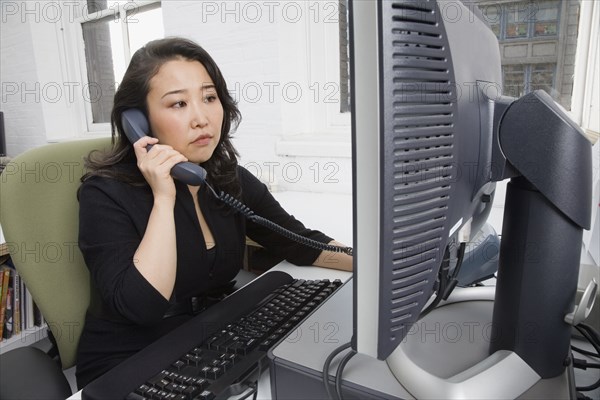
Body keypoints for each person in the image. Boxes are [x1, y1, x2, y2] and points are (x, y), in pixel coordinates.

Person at [75, 37, 352, 388]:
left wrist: (381, 269)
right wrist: (163, 196)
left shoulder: (223, 177)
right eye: (178, 103)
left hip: (208, 340)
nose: (201, 118)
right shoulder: (103, 194)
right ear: (138, 121)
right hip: (129, 363)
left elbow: (298, 243)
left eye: (209, 97)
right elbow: (142, 306)